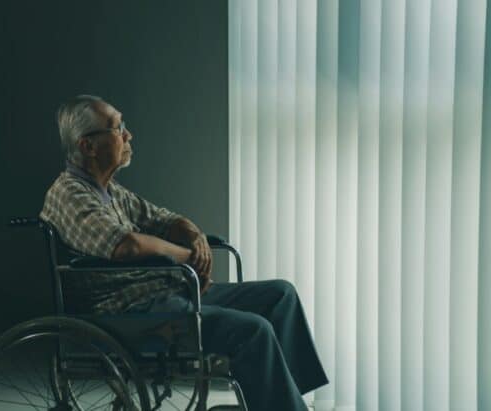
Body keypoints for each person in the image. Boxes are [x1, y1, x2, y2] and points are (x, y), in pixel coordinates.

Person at [40, 95, 328, 410]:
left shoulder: (111, 192)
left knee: (279, 295)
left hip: (166, 296)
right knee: (253, 330)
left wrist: (195, 236)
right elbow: (125, 245)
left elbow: (164, 220)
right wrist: (188, 257)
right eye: (116, 127)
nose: (128, 135)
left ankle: (289, 401)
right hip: (128, 314)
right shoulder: (70, 193)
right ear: (88, 146)